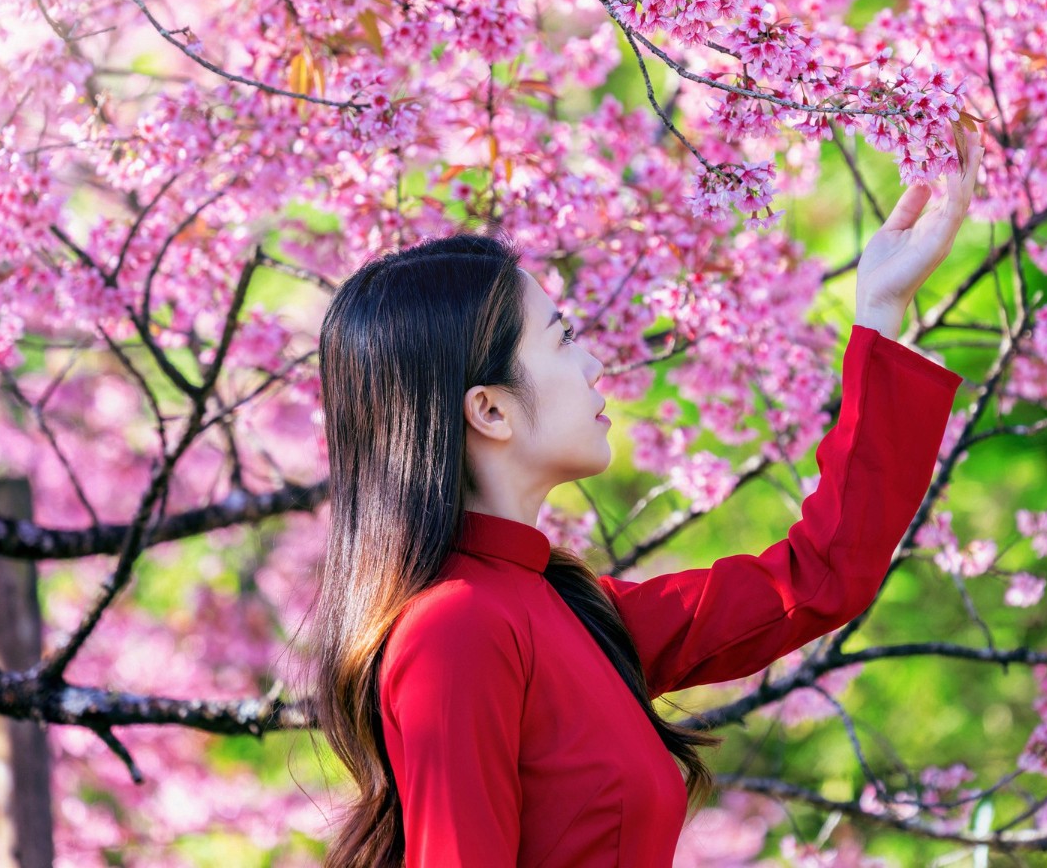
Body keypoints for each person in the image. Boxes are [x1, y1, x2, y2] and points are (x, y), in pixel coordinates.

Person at [311, 126, 985, 867]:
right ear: (490, 410)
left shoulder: (574, 610)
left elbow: (820, 576)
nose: (596, 362)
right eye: (563, 339)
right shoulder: (456, 631)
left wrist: (881, 310)